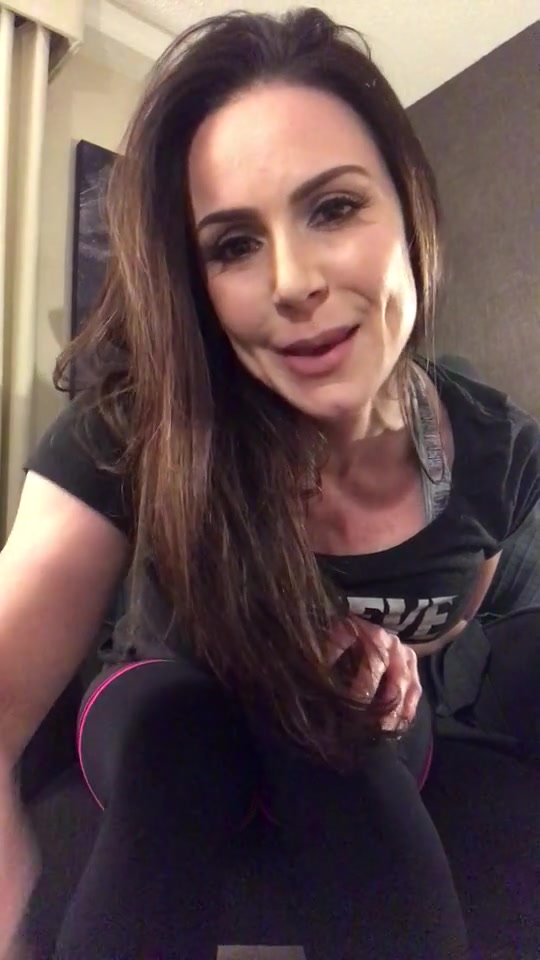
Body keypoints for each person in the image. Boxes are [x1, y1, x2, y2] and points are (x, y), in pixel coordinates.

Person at [0, 8, 538, 959]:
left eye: (333, 208)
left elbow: (453, 618)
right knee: (175, 734)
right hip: (169, 707)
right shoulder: (135, 428)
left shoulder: (499, 454)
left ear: (410, 205)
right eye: (233, 245)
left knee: (340, 737)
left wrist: (397, 657)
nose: (291, 281)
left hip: (362, 738)